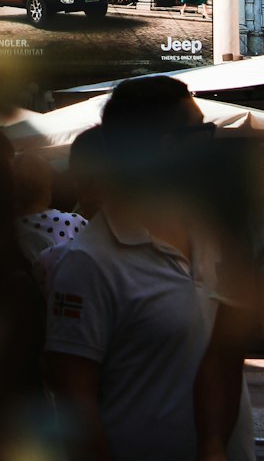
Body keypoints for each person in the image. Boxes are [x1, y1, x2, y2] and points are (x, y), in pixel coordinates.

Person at [43, 76, 254, 461]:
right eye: (201, 133)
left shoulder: (212, 231)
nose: (210, 145)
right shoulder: (90, 262)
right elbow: (76, 401)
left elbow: (226, 352)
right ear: (165, 146)